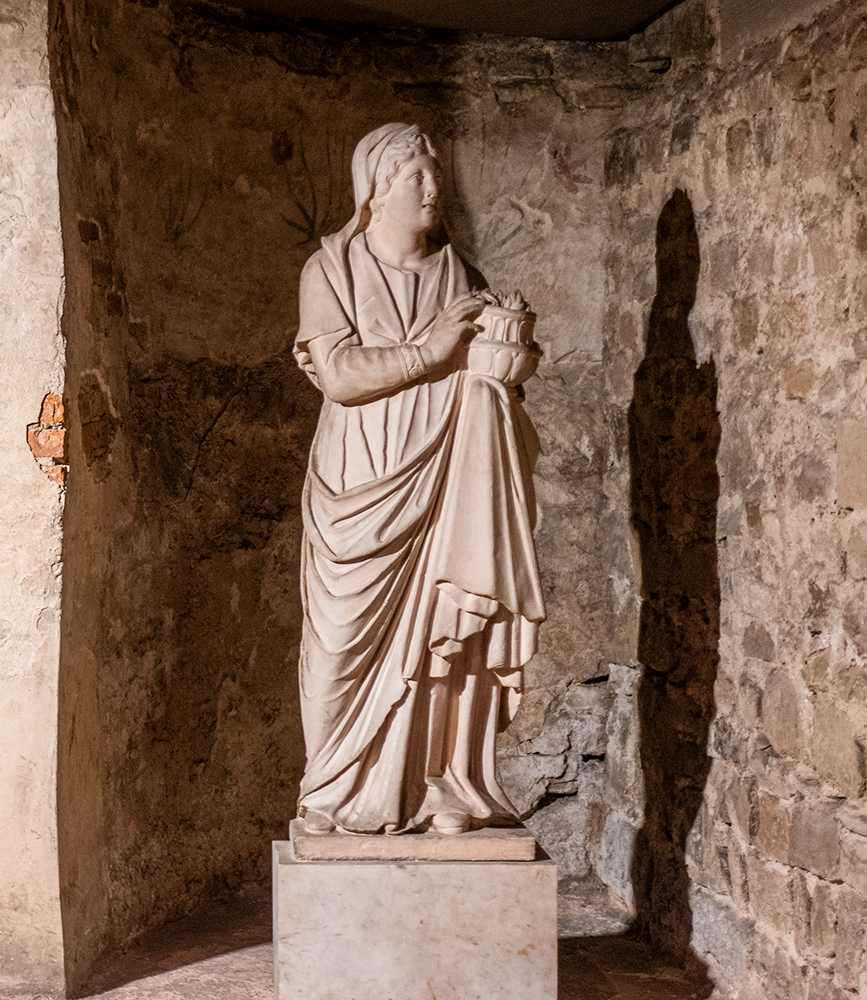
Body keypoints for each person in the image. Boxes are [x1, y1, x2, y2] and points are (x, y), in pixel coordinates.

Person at [294, 123, 545, 836]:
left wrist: (508, 358)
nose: (435, 191)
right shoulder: (330, 271)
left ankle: (443, 785)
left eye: (435, 176)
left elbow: (487, 370)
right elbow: (340, 376)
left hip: (444, 476)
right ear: (376, 189)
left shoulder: (456, 274)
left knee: (446, 629)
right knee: (339, 647)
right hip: (360, 481)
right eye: (418, 178)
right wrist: (431, 350)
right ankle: (336, 792)